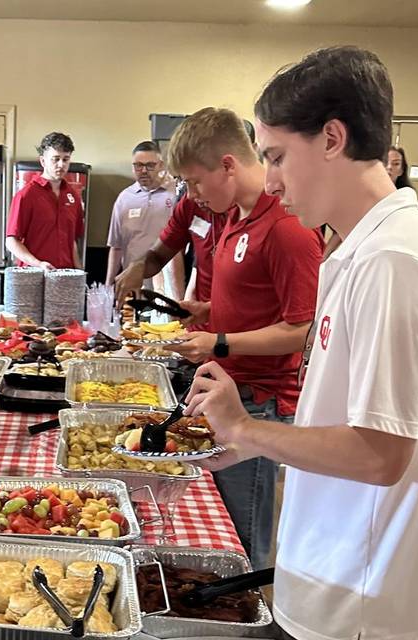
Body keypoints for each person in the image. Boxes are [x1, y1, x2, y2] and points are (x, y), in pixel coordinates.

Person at [185, 46, 418, 639]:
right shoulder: (362, 248)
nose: (273, 179)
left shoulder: (394, 258)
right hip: (335, 575)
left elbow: (379, 454)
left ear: (333, 138)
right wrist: (231, 449)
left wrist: (245, 428)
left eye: (278, 156)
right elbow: (340, 418)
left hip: (364, 599)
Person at [121, 108, 322, 569]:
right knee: (223, 521)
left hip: (260, 399)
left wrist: (221, 341)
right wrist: (209, 312)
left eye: (194, 183)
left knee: (243, 535)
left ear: (228, 164)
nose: (191, 196)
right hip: (227, 390)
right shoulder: (234, 216)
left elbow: (302, 330)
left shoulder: (287, 228)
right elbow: (255, 298)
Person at [105, 141, 184, 297]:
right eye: (138, 166)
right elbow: (116, 246)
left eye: (150, 165)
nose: (143, 171)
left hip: (167, 287)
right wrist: (109, 285)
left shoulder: (176, 194)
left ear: (161, 165)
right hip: (133, 285)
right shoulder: (124, 199)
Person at [6, 132, 84, 270]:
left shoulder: (73, 196)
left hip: (65, 276)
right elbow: (11, 241)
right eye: (55, 159)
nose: (61, 164)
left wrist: (79, 272)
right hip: (33, 274)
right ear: (43, 161)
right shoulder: (26, 195)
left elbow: (71, 241)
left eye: (66, 159)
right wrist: (38, 264)